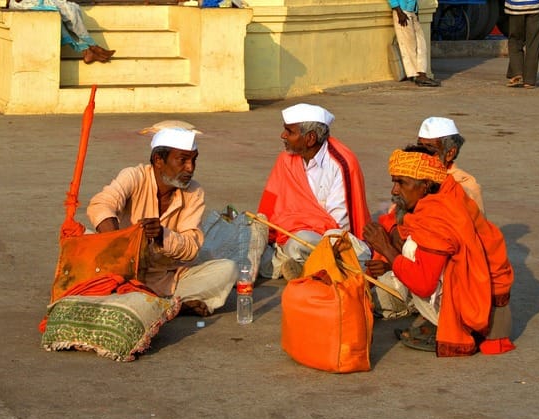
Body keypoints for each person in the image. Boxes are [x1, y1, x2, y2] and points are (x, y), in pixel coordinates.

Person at [363, 146, 515, 356]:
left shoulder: (437, 215)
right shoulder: (445, 190)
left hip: (479, 309)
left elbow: (423, 285)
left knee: (410, 249)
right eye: (394, 182)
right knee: (405, 247)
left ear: (425, 185)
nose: (394, 191)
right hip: (482, 297)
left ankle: (448, 323)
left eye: (401, 183)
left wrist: (387, 249)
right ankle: (436, 318)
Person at [87, 127, 237, 316]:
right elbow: (101, 204)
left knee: (227, 269)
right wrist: (121, 244)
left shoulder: (194, 192)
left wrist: (161, 235)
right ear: (159, 160)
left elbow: (191, 247)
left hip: (165, 277)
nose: (190, 168)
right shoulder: (134, 176)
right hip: (122, 273)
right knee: (84, 242)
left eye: (193, 160)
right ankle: (169, 305)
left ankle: (156, 304)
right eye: (182, 160)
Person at [257, 103, 372, 281]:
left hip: (325, 239)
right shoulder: (286, 160)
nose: (283, 136)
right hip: (288, 235)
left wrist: (304, 227)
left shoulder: (341, 164)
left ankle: (302, 264)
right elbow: (270, 208)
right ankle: (301, 264)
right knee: (253, 233)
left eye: (290, 132)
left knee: (298, 243)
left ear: (310, 138)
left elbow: (339, 228)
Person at [8, 0, 115, 64]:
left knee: (71, 9)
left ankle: (88, 50)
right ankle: (91, 47)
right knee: (65, 10)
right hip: (24, 3)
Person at [416, 117, 484, 214]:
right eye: (419, 148)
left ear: (450, 154)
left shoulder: (466, 186)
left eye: (430, 149)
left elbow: (476, 226)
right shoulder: (411, 176)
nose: (422, 154)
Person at [389, 0, 440, 87]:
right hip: (402, 11)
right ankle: (417, 75)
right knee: (409, 46)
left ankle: (422, 74)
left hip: (412, 11)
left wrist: (416, 11)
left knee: (422, 44)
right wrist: (399, 12)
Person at [505, 0, 539, 88]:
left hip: (516, 6)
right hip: (535, 6)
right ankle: (529, 81)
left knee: (515, 40)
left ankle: (516, 72)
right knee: (533, 42)